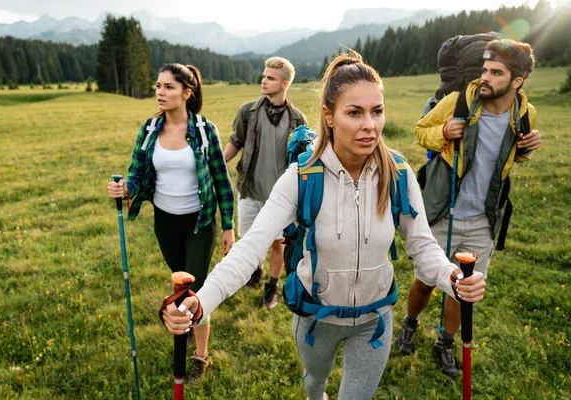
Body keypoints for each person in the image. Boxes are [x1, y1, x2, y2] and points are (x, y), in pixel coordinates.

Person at [161, 52, 486, 399]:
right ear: (329, 117)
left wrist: (452, 277)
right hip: (316, 321)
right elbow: (250, 248)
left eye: (377, 111)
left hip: (375, 323)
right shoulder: (301, 177)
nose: (370, 125)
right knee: (315, 383)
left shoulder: (398, 173)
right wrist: (201, 302)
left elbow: (422, 246)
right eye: (354, 113)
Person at [395, 38, 542, 377]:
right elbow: (421, 131)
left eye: (496, 72)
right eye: (485, 69)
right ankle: (411, 322)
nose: (485, 77)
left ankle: (445, 342)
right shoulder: (458, 100)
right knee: (425, 280)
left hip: (482, 221)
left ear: (518, 80)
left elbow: (512, 155)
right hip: (443, 212)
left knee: (463, 289)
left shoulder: (525, 113)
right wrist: (444, 131)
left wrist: (527, 148)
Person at [106, 63, 235, 384]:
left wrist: (229, 226)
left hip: (200, 223)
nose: (160, 93)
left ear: (187, 92)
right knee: (179, 288)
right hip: (164, 222)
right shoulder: (149, 129)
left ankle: (201, 357)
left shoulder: (205, 130)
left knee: (198, 290)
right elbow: (136, 173)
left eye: (168, 87)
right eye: (158, 86)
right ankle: (186, 326)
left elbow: (222, 180)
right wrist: (125, 189)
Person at [223, 56, 308, 309]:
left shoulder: (297, 119)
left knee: (278, 243)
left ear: (284, 84)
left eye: (270, 78)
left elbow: (303, 156)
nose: (264, 80)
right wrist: (216, 162)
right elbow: (235, 141)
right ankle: (254, 270)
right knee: (248, 241)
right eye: (264, 75)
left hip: (281, 199)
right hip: (249, 190)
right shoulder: (248, 112)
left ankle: (271, 288)